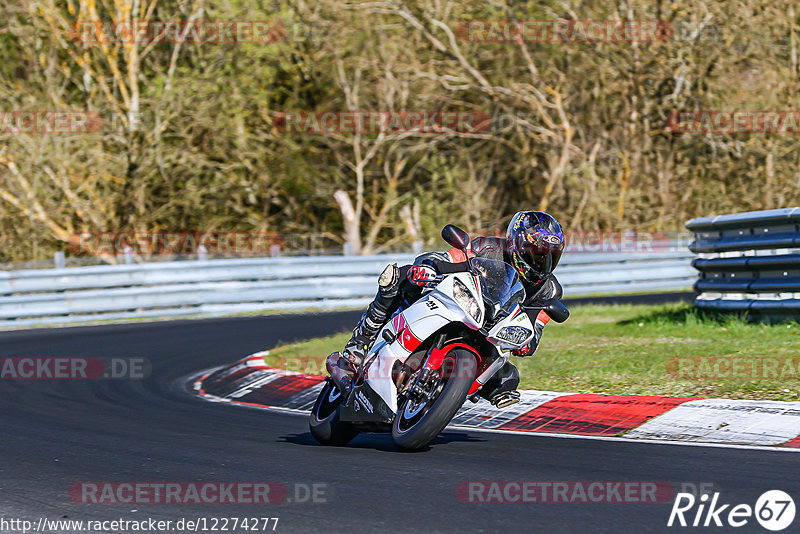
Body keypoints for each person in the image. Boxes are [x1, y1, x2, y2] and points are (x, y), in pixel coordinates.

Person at [337, 211, 564, 408]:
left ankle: (442, 395)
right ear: (516, 243)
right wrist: (427, 266)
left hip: (492, 334)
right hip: (463, 305)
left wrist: (528, 343)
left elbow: (536, 328)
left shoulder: (550, 291)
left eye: (550, 256)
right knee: (398, 278)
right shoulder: (487, 247)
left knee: (508, 379)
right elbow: (446, 258)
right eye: (536, 253)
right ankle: (358, 345)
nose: (541, 262)